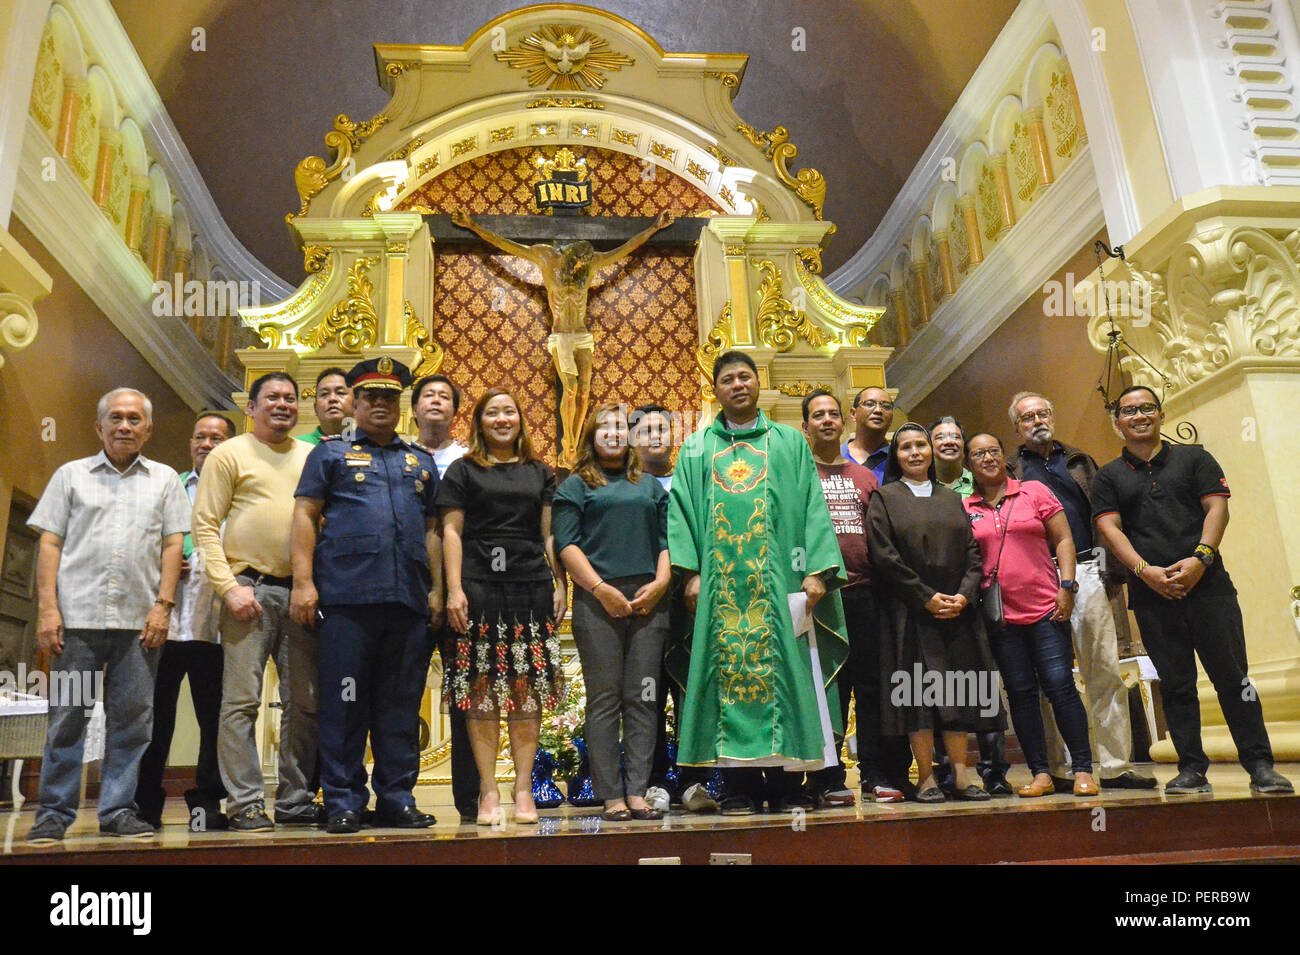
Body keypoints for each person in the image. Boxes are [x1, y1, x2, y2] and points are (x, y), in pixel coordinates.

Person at [668, 351, 850, 815]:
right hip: (720, 591)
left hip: (781, 585)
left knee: (789, 679)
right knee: (723, 678)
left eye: (744, 376)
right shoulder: (695, 449)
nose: (737, 385)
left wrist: (815, 571)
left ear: (757, 383)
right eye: (727, 379)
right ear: (716, 390)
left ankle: (789, 785)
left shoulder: (790, 443)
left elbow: (813, 506)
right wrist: (689, 573)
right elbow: (681, 513)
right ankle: (738, 786)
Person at [1091, 386, 1292, 795]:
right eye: (1129, 411)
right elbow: (1110, 528)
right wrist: (1144, 571)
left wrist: (1201, 558)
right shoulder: (1108, 476)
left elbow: (1218, 506)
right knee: (1177, 684)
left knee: (1235, 679)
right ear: (1118, 423)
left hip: (1210, 589)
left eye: (1147, 407)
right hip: (1152, 595)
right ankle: (1191, 769)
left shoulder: (1194, 458)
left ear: (1160, 414)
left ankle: (1260, 766)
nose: (1139, 416)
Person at [25, 388, 190, 844]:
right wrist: (47, 609)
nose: (124, 426)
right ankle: (53, 815)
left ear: (148, 429)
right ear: (99, 427)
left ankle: (118, 810)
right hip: (75, 622)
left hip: (139, 626)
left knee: (133, 722)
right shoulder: (70, 476)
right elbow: (50, 542)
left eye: (134, 419)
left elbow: (173, 544)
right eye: (115, 418)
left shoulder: (164, 481)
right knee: (66, 716)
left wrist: (163, 607)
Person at [291, 357, 440, 833]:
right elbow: (304, 516)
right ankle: (342, 800)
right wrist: (303, 582)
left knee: (400, 706)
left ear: (401, 406)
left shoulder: (421, 460)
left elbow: (436, 529)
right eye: (371, 396)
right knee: (344, 703)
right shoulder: (329, 455)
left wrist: (437, 589)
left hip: (407, 602)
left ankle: (397, 798)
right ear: (354, 402)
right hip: (346, 600)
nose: (380, 404)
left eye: (390, 397)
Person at [192, 371, 320, 831]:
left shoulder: (311, 456)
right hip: (248, 590)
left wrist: (312, 583)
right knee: (241, 703)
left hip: (301, 592)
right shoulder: (229, 453)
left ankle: (294, 799)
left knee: (304, 703)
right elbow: (205, 526)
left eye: (290, 398)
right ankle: (245, 802)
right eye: (272, 398)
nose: (282, 404)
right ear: (251, 407)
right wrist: (229, 587)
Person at [1011, 391, 1156, 790]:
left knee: (1104, 669)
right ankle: (1058, 768)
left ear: (1052, 417)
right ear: (1017, 428)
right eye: (1027, 418)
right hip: (1039, 578)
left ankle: (1114, 765)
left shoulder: (1080, 461)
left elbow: (1105, 517)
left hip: (1091, 569)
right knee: (1050, 678)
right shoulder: (1010, 470)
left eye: (1043, 413)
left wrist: (1113, 576)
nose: (1037, 421)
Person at [451, 210, 674, 466]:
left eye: (583, 266)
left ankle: (576, 443)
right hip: (561, 337)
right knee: (570, 389)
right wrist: (473, 225)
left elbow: (625, 249)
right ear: (569, 257)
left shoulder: (590, 264)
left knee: (584, 392)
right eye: (576, 264)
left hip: (582, 336)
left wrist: (654, 228)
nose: (580, 268)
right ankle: (568, 443)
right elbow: (505, 244)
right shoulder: (546, 257)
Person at [440, 388, 567, 824]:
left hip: (529, 589)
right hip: (479, 589)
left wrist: (559, 583)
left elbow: (549, 534)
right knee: (481, 694)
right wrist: (454, 588)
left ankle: (524, 790)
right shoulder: (462, 470)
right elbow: (451, 533)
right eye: (492, 412)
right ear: (479, 422)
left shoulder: (539, 472)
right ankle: (489, 792)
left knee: (524, 694)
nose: (501, 419)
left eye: (508, 412)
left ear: (519, 420)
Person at [866, 423, 1002, 803]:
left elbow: (974, 553)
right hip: (909, 614)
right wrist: (924, 596)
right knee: (917, 697)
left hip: (956, 614)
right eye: (905, 447)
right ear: (896, 456)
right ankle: (925, 776)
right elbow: (884, 555)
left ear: (930, 451)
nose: (914, 452)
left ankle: (960, 772)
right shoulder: (884, 497)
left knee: (957, 691)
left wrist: (963, 595)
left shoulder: (950, 497)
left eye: (920, 445)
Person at [554, 402, 671, 821]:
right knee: (604, 700)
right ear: (591, 435)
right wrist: (601, 589)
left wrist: (660, 584)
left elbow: (666, 542)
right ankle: (611, 796)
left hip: (649, 600)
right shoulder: (575, 485)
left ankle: (638, 791)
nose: (614, 432)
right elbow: (566, 545)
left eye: (620, 426)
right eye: (604, 426)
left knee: (642, 697)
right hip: (597, 599)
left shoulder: (650, 486)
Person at [963, 433, 1097, 797]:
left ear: (1002, 458)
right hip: (1001, 618)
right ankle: (1040, 773)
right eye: (978, 454)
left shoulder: (1033, 491)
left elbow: (1064, 539)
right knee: (1021, 694)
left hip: (1046, 608)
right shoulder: (966, 507)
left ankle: (1083, 768)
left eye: (993, 451)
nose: (988, 458)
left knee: (1060, 687)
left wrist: (1066, 586)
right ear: (969, 464)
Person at [802, 389, 912, 805]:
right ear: (805, 426)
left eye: (833, 414)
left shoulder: (866, 478)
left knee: (870, 688)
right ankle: (826, 778)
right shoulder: (799, 474)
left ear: (843, 421)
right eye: (818, 415)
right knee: (826, 687)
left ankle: (874, 774)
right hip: (818, 598)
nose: (827, 421)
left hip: (866, 594)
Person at [135, 413, 235, 831]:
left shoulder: (240, 488)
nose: (207, 443)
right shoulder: (167, 485)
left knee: (216, 722)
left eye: (217, 438)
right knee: (155, 717)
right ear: (190, 442)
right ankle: (144, 805)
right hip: (165, 621)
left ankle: (206, 808)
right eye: (200, 436)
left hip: (218, 623)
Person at [635, 404, 718, 813]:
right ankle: (652, 781)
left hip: (691, 598)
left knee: (692, 690)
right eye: (646, 429)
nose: (655, 435)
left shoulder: (690, 480)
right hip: (643, 602)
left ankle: (693, 780)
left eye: (662, 429)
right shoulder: (626, 485)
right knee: (649, 693)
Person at [930, 415, 1009, 793]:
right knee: (944, 688)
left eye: (954, 436)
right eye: (939, 437)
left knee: (985, 683)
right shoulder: (921, 489)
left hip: (982, 594)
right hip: (939, 601)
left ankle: (994, 770)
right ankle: (949, 769)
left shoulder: (979, 487)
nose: (947, 442)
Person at [411, 372, 477, 823]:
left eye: (444, 397)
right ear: (413, 408)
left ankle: (471, 803)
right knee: (401, 698)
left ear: (455, 411)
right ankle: (398, 798)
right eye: (427, 395)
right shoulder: (395, 455)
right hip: (408, 592)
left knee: (465, 700)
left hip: (463, 593)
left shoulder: (470, 462)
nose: (436, 402)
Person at [842, 386, 894, 483]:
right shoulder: (836, 456)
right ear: (853, 413)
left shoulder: (899, 459)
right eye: (870, 404)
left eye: (886, 406)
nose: (878, 410)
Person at [297, 367, 352, 445]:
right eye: (324, 394)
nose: (332, 398)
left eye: (340, 393)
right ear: (315, 408)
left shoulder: (369, 447)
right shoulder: (298, 445)